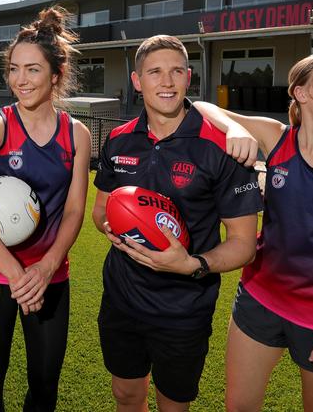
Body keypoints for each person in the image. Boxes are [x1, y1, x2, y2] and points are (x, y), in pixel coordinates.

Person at [193, 48, 313, 412]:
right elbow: (201, 107)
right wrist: (233, 127)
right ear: (302, 93)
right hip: (259, 301)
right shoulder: (276, 137)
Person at [92, 34, 263, 412]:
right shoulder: (119, 140)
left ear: (189, 77)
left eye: (175, 72)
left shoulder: (222, 146)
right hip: (121, 298)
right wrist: (117, 228)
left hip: (183, 308)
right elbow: (100, 210)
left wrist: (192, 264)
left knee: (173, 404)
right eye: (154, 72)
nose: (166, 82)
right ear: (137, 81)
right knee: (125, 394)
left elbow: (243, 244)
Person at [0, 6, 90, 412]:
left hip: (49, 277)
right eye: (13, 69)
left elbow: (74, 210)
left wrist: (44, 270)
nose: (20, 80)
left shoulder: (76, 134)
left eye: (32, 70)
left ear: (56, 74)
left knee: (45, 383)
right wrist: (16, 275)